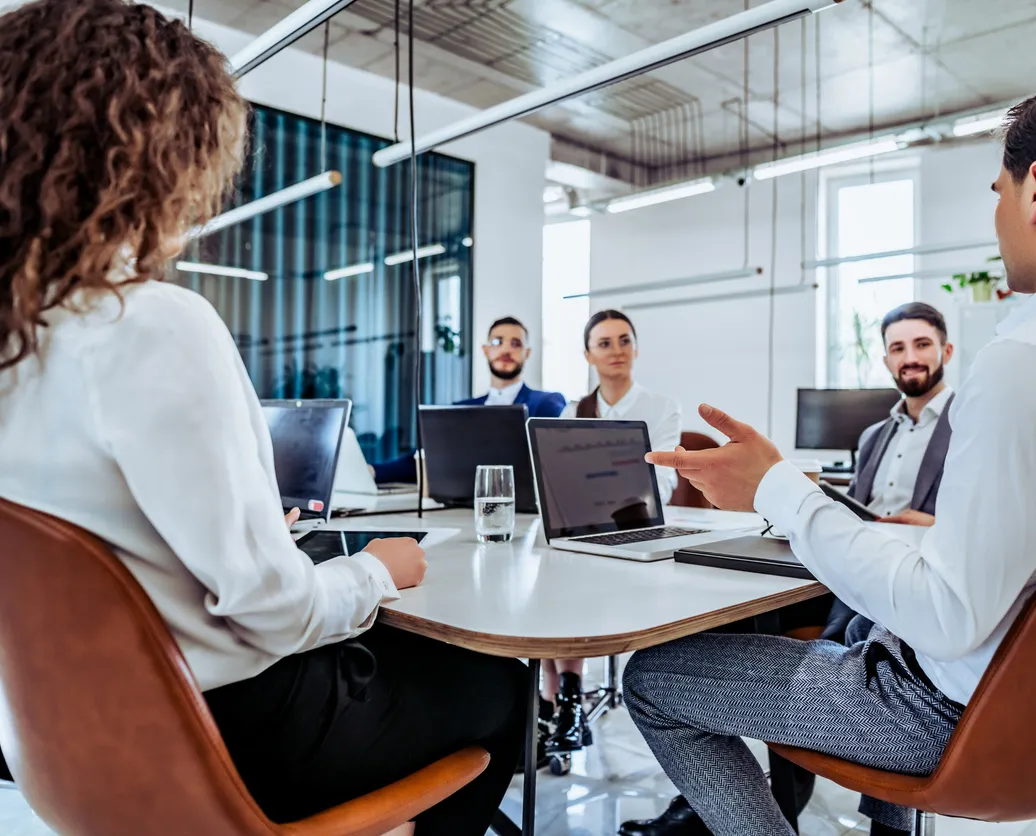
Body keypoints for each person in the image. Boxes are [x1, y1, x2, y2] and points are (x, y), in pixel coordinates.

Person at [625, 62, 1036, 836]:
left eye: (996, 191)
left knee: (654, 675)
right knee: (836, 622)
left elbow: (945, 617)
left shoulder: (1035, 363)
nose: (997, 216)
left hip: (946, 713)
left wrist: (777, 489)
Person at [0, 3, 525, 834]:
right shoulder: (148, 321)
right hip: (220, 740)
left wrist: (251, 536)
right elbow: (272, 610)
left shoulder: (23, 334)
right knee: (500, 684)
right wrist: (376, 570)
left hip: (51, 736)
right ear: (166, 153)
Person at [620, 301, 957, 836]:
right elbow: (854, 513)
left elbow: (976, 524)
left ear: (946, 351)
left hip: (905, 592)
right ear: (886, 359)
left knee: (659, 675)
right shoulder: (875, 435)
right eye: (898, 347)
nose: (909, 356)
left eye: (921, 344)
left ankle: (778, 803)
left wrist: (934, 523)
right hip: (856, 578)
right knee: (738, 618)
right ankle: (745, 798)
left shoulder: (968, 427)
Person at [536, 310, 682, 758]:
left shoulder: (661, 407)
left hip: (637, 525)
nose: (616, 350)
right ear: (588, 355)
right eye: (604, 343)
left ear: (635, 348)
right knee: (549, 563)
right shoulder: (573, 411)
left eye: (624, 340)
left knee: (572, 571)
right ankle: (562, 693)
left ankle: (559, 695)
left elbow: (664, 480)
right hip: (585, 525)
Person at [371, 315, 565, 484]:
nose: (506, 349)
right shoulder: (460, 410)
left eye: (516, 344)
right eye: (497, 342)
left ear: (527, 353)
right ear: (485, 350)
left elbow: (553, 462)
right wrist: (373, 471)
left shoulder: (546, 404)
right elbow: (426, 458)